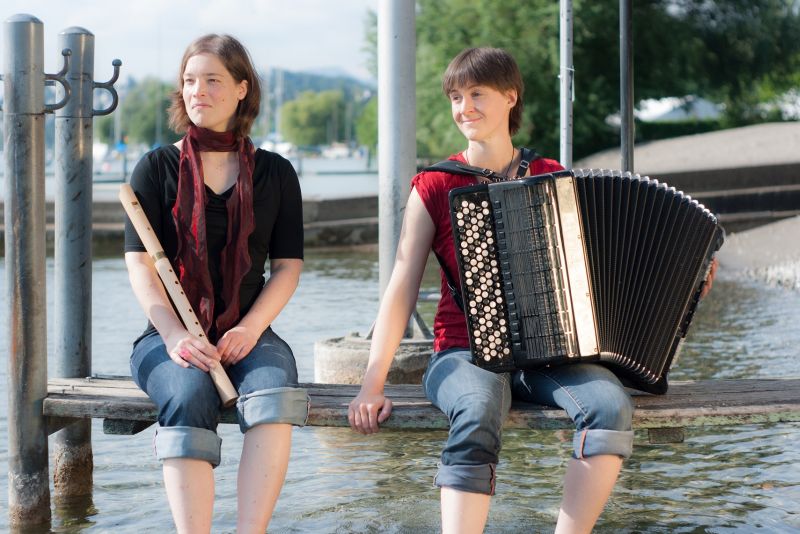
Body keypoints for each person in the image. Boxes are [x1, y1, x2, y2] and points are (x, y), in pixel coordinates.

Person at [348, 46, 638, 534]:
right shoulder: (435, 184)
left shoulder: (551, 176)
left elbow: (595, 269)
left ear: (510, 97)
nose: (464, 107)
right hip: (462, 353)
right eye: (456, 97)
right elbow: (401, 288)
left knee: (609, 406)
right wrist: (370, 385)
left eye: (476, 93)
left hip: (547, 355)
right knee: (479, 406)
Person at [124, 34, 307, 534]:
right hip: (168, 336)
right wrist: (173, 336)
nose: (196, 91)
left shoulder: (276, 173)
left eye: (212, 80)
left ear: (242, 89)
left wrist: (249, 330)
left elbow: (288, 267)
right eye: (188, 80)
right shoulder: (155, 168)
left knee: (273, 396)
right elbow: (141, 266)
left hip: (249, 333)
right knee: (187, 393)